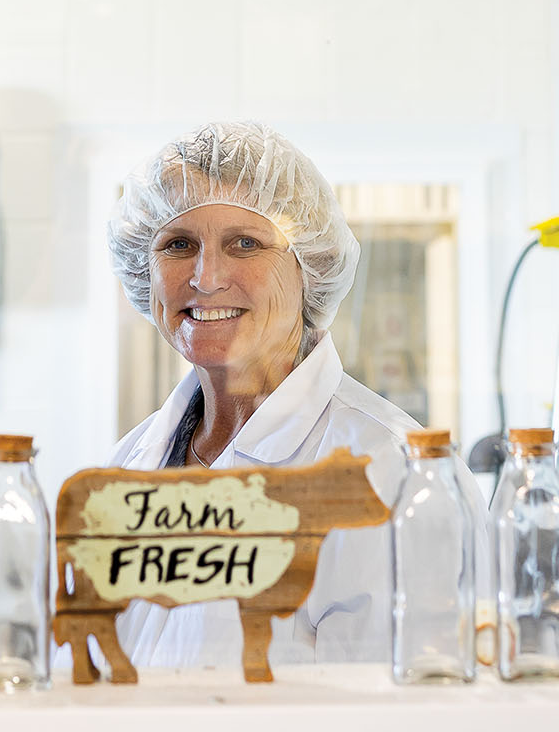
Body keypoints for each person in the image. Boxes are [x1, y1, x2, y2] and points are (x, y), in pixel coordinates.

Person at [106, 120, 490, 669]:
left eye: (245, 244)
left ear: (310, 268)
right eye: (179, 244)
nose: (206, 276)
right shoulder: (129, 464)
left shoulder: (393, 476)